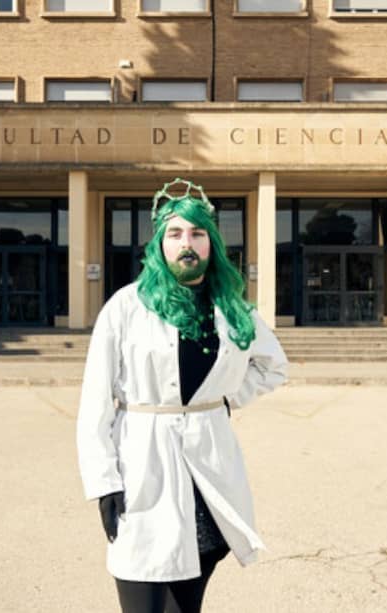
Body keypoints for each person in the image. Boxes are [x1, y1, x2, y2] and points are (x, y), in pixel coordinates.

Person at [76, 179, 288, 613]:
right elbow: (95, 402)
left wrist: (226, 401)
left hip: (207, 475)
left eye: (196, 233)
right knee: (141, 589)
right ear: (159, 243)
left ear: (211, 243)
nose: (186, 243)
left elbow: (273, 365)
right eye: (174, 234)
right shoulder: (126, 306)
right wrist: (103, 483)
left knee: (187, 604)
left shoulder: (234, 309)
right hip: (143, 468)